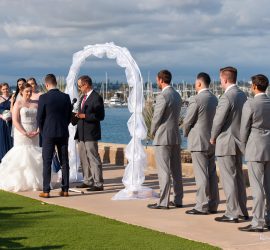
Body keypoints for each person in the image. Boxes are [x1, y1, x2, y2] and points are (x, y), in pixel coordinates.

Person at [210, 66, 249, 223]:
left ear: (225, 79)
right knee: (238, 178)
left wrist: (212, 137)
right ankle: (242, 210)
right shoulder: (242, 95)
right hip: (239, 142)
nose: (220, 81)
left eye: (220, 78)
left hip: (226, 142)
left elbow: (218, 120)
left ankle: (232, 212)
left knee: (228, 179)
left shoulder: (227, 97)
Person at [183, 73, 219, 215]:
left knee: (201, 175)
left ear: (199, 83)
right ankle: (213, 204)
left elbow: (188, 120)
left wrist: (186, 133)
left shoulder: (196, 99)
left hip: (198, 141)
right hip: (211, 140)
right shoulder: (214, 99)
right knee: (211, 174)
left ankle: (201, 206)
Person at [147, 70, 183, 209]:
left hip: (163, 136)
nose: (157, 82)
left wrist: (152, 132)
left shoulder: (164, 96)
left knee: (164, 170)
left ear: (161, 80)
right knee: (176, 171)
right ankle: (178, 199)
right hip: (175, 135)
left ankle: (163, 202)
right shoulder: (177, 95)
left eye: (157, 80)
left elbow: (157, 117)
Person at [238, 74, 270, 232]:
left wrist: (243, 149)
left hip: (255, 148)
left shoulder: (250, 104)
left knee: (257, 187)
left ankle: (257, 222)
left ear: (255, 87)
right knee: (269, 186)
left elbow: (243, 130)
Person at [0, 83, 43, 191]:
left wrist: (38, 130)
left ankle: (35, 182)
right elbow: (15, 120)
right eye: (27, 91)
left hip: (34, 133)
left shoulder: (37, 103)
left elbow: (40, 119)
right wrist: (24, 133)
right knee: (22, 156)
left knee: (34, 156)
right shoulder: (18, 103)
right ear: (21, 92)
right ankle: (21, 182)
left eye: (30, 91)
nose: (29, 93)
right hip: (22, 133)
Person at [37, 74, 72, 198]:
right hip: (63, 132)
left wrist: (43, 131)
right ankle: (65, 189)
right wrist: (63, 125)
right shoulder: (66, 97)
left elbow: (39, 118)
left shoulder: (43, 98)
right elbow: (69, 116)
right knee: (64, 161)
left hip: (48, 133)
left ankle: (46, 191)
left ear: (47, 84)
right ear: (56, 83)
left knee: (47, 161)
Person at [74, 75, 105, 191]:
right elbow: (81, 113)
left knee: (93, 157)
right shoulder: (83, 97)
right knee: (83, 157)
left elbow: (100, 116)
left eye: (80, 86)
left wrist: (85, 116)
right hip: (81, 132)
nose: (79, 88)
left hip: (91, 133)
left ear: (86, 84)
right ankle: (87, 180)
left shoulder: (96, 97)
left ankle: (98, 183)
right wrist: (76, 116)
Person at [0, 83, 13, 162]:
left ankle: (11, 158)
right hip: (1, 121)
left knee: (11, 138)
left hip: (11, 121)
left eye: (7, 88)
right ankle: (3, 158)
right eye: (4, 89)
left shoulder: (12, 98)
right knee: (2, 138)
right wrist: (2, 116)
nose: (5, 90)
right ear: (1, 90)